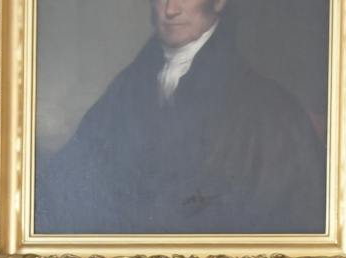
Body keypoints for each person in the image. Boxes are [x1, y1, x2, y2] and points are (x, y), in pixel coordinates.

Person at [35, 0, 327, 235]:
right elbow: (70, 181)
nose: (170, 10)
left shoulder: (269, 110)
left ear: (220, 2)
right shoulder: (127, 87)